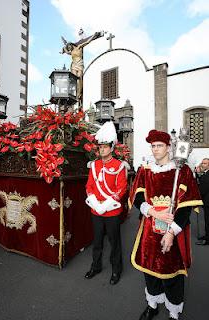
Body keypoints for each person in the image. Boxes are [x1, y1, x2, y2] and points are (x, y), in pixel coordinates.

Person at [128, 129, 202, 320]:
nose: (155, 150)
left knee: (172, 274)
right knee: (150, 271)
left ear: (169, 147)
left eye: (159, 145)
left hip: (172, 232)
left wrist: (172, 233)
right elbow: (136, 197)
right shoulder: (146, 171)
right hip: (150, 232)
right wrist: (152, 211)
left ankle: (174, 312)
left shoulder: (182, 171)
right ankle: (152, 304)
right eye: (152, 146)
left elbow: (186, 207)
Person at [85, 121, 128, 285]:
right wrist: (94, 201)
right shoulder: (94, 165)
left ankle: (116, 269)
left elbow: (121, 188)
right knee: (97, 242)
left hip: (112, 211)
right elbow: (89, 185)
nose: (101, 149)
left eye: (104, 147)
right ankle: (96, 266)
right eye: (99, 147)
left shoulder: (118, 165)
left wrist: (108, 203)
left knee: (114, 242)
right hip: (96, 210)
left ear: (111, 148)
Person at [61, 31, 103, 103]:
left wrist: (93, 36)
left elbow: (87, 42)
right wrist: (64, 48)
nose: (69, 48)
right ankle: (74, 94)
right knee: (74, 79)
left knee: (79, 78)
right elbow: (66, 51)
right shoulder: (71, 52)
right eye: (68, 47)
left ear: (72, 45)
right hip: (74, 65)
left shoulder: (79, 47)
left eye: (69, 46)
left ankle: (79, 94)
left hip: (80, 64)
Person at [195, 158, 209, 245]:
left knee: (208, 221)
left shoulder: (207, 175)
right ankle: (207, 235)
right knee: (206, 220)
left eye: (205, 163)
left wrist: (196, 197)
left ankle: (207, 240)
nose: (203, 165)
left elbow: (202, 189)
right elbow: (200, 180)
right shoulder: (205, 173)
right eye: (202, 163)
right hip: (206, 202)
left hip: (208, 202)